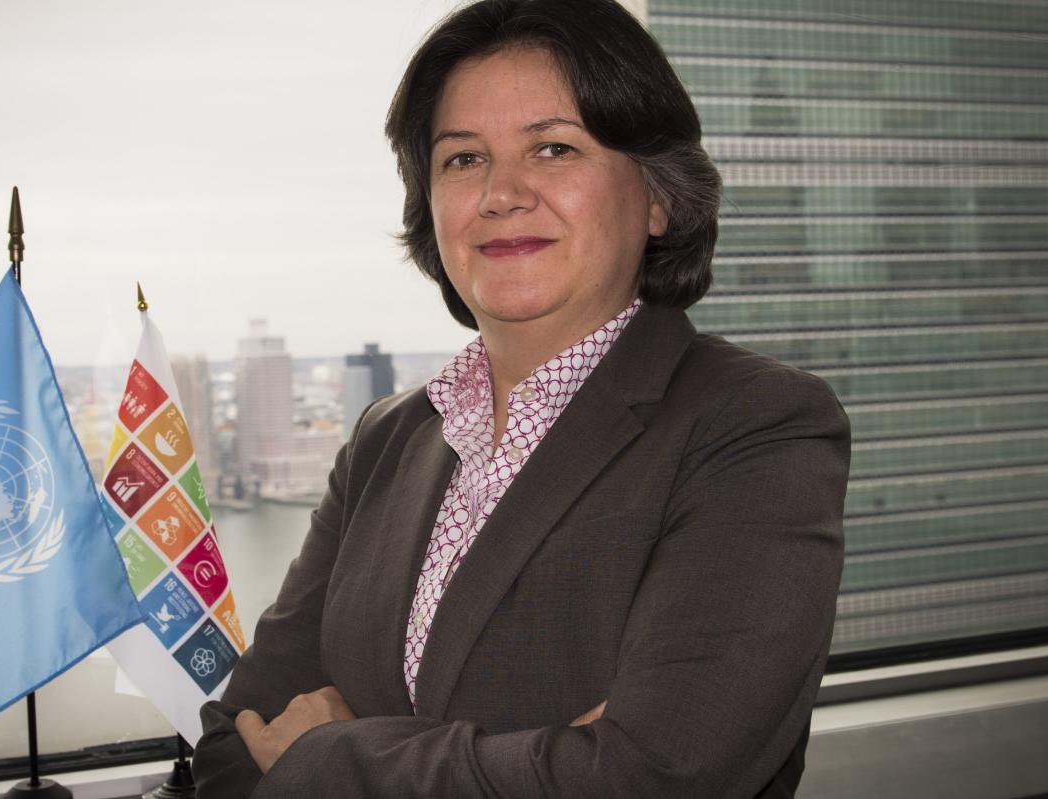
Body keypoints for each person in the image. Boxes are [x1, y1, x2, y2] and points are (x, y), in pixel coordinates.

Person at [192, 0, 849, 795]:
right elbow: (232, 748)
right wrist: (550, 752)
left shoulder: (754, 425)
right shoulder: (386, 439)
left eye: (554, 147)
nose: (502, 193)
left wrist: (332, 754)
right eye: (463, 158)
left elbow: (654, 777)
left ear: (657, 195)